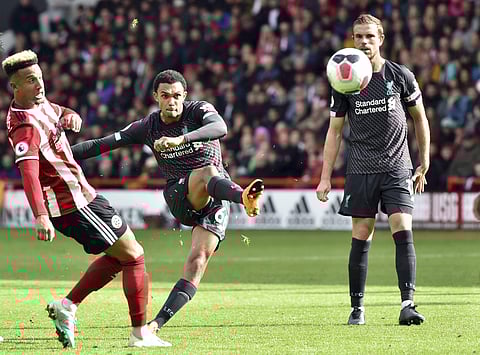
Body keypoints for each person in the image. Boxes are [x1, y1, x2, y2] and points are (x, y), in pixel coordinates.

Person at [71, 69, 264, 333]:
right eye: (165, 96)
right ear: (155, 97)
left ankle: (155, 325)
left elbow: (221, 128)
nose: (171, 101)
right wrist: (56, 156)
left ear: (184, 95)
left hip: (215, 197)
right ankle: (243, 196)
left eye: (176, 95)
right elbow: (101, 144)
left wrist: (181, 139)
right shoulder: (148, 127)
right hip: (180, 195)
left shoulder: (198, 110)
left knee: (197, 261)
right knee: (208, 171)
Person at [2, 50, 170, 348]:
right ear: (15, 88)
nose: (39, 85)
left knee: (123, 257)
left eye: (40, 77)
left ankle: (67, 306)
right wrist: (40, 215)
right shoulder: (24, 126)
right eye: (30, 81)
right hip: (71, 204)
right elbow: (28, 173)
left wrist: (70, 115)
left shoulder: (40, 104)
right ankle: (139, 334)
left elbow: (56, 109)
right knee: (134, 255)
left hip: (83, 196)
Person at [316, 14, 430, 326]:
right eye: (358, 37)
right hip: (361, 169)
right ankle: (357, 308)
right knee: (361, 235)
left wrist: (425, 161)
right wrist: (325, 176)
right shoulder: (343, 81)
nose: (363, 42)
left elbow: (420, 118)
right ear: (352, 40)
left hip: (397, 167)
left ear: (380, 39)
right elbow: (334, 131)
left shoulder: (399, 75)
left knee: (402, 228)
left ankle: (408, 304)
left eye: (369, 36)